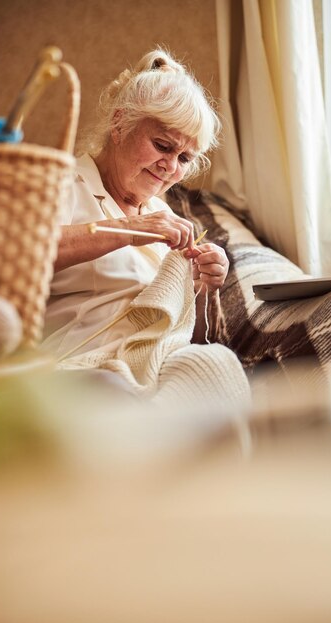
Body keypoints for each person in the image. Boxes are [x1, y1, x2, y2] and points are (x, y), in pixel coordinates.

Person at [42, 48, 250, 412]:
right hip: (79, 368)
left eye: (184, 158)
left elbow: (188, 336)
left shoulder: (162, 214)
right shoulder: (60, 184)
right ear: (120, 125)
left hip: (155, 365)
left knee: (214, 364)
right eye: (162, 145)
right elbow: (19, 257)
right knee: (114, 391)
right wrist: (129, 227)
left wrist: (202, 288)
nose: (170, 166)